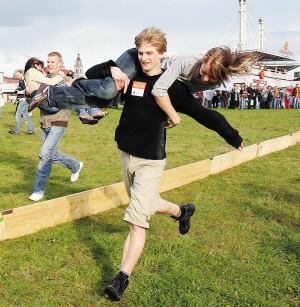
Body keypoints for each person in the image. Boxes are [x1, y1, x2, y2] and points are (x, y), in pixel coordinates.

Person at [28, 44, 258, 123]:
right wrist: (173, 115)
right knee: (110, 88)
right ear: (204, 59)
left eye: (211, 79)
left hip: (146, 76)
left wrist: (169, 111)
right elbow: (160, 88)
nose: (205, 79)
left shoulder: (211, 83)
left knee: (108, 99)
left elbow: (177, 94)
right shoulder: (186, 61)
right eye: (205, 72)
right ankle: (81, 80)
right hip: (139, 59)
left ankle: (48, 93)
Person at [27, 53, 83, 202]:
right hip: (44, 122)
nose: (50, 64)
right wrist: (29, 93)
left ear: (60, 64)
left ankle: (38, 190)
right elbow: (33, 102)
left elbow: (76, 99)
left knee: (45, 154)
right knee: (50, 155)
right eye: (48, 62)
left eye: (53, 62)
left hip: (59, 121)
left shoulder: (66, 81)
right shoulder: (42, 80)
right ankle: (75, 165)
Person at [8, 70, 35, 135]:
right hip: (21, 100)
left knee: (17, 115)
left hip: (24, 100)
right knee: (26, 116)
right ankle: (31, 131)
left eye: (18, 75)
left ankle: (16, 130)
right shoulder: (20, 81)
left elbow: (28, 89)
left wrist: (20, 92)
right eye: (16, 75)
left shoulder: (25, 80)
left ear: (21, 74)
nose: (17, 77)